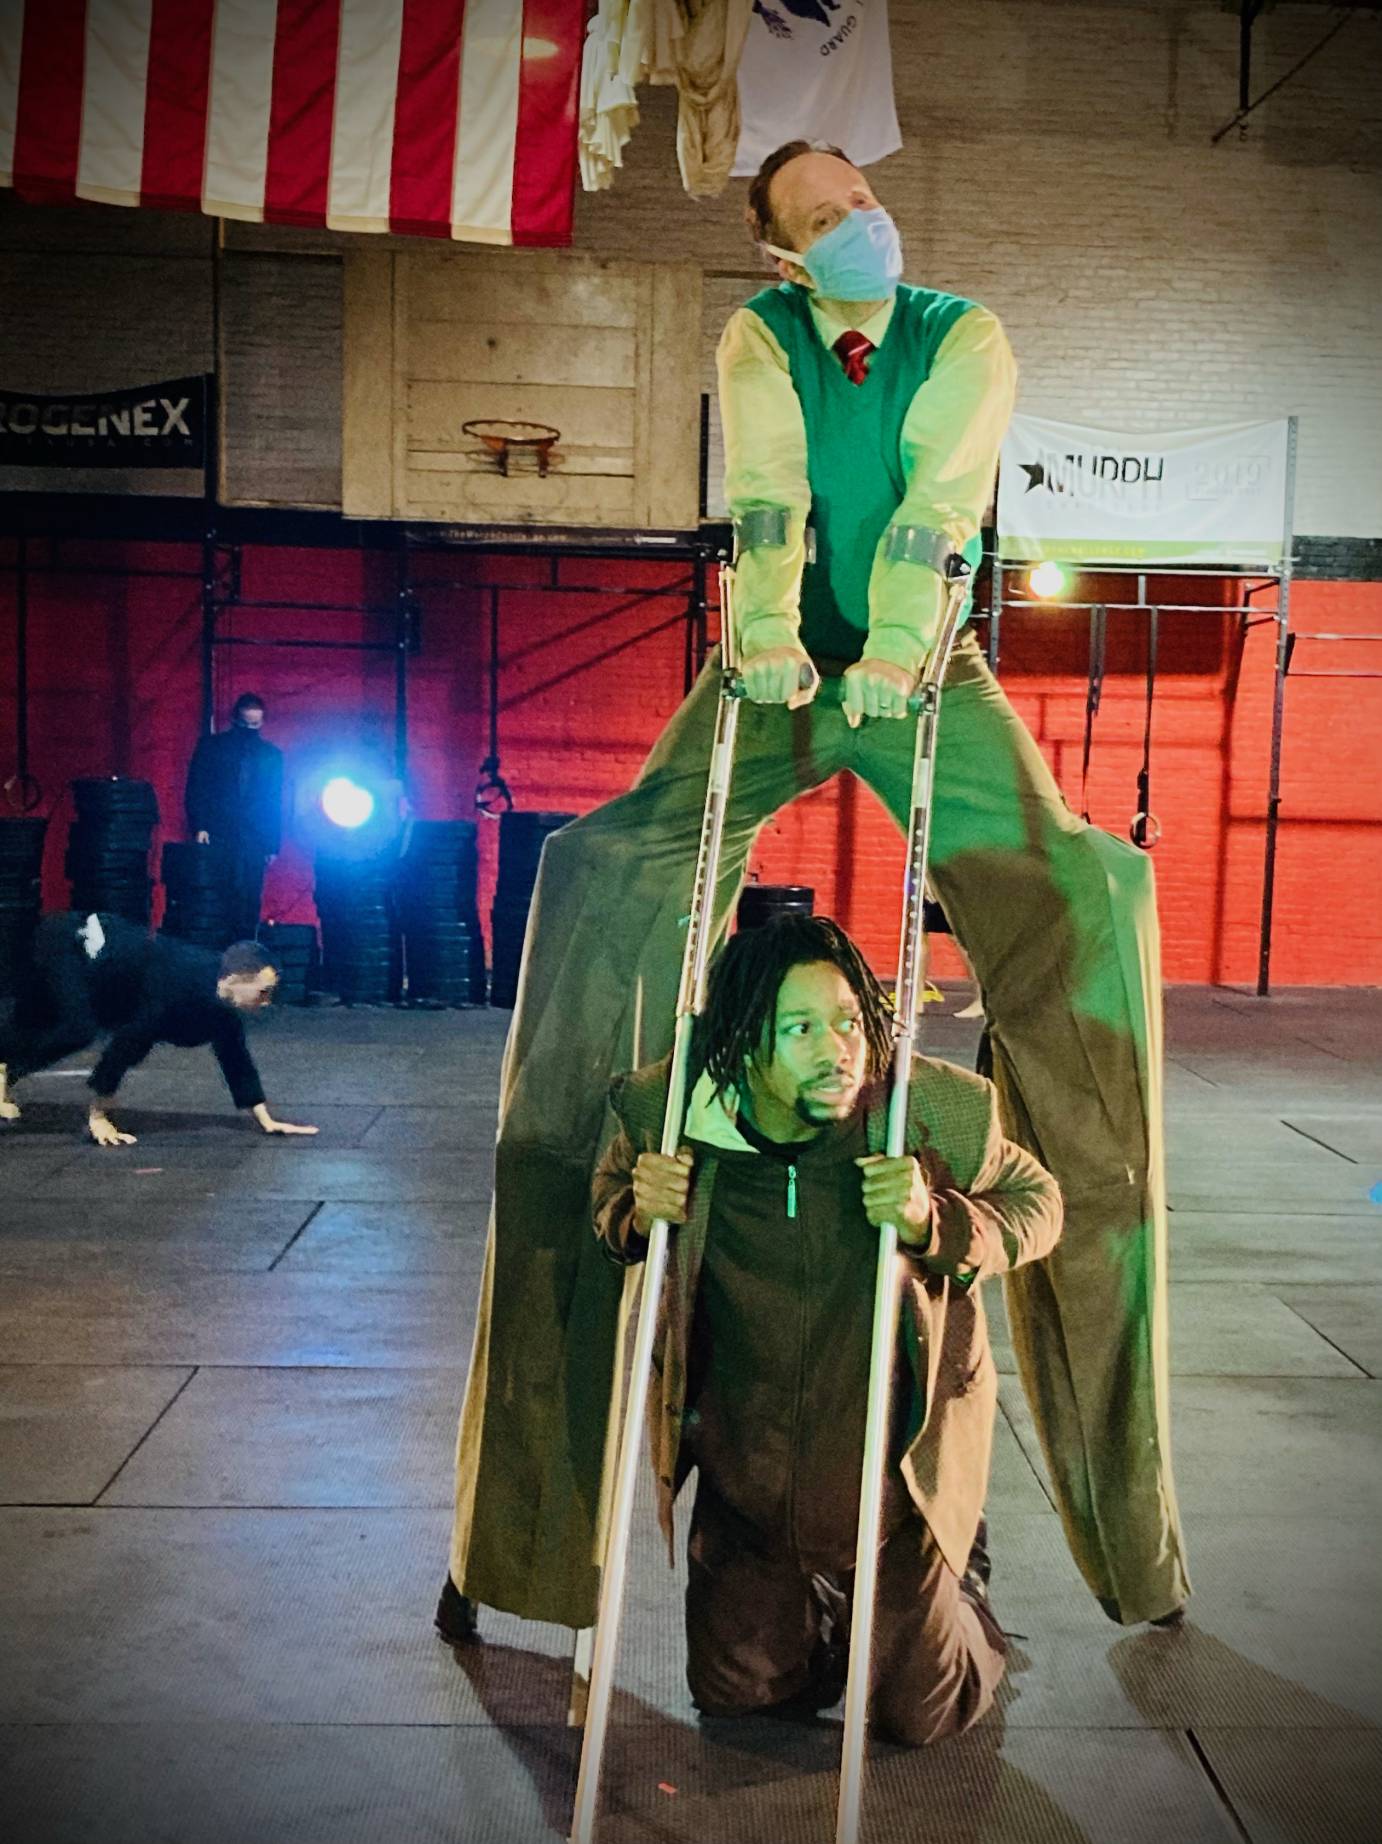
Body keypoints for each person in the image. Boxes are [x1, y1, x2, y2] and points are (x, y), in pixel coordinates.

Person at [439, 139, 1188, 1641]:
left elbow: (938, 498)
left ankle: (1132, 1529)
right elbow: (770, 487)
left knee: (1087, 890)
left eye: (866, 194)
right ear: (782, 252)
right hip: (774, 664)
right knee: (596, 868)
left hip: (931, 664)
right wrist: (766, 634)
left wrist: (899, 647)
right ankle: (518, 1535)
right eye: (827, 212)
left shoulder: (957, 331)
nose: (865, 221)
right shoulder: (760, 332)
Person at [594, 918, 1061, 1740]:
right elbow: (606, 1202)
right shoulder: (665, 1115)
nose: (838, 1049)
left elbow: (1039, 1206)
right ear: (740, 1043)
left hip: (890, 1488)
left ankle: (962, 1591)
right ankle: (816, 1609)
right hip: (749, 1487)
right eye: (801, 1028)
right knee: (740, 1698)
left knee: (919, 1714)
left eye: (848, 1021)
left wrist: (935, 1221)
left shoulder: (930, 1115)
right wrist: (637, 1211)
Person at [0, 911, 317, 1145]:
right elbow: (129, 1043)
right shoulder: (178, 986)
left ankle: (5, 1071)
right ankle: (5, 1070)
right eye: (262, 993)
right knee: (77, 1028)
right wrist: (98, 1117)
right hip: (69, 943)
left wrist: (266, 1120)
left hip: (107, 978)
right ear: (235, 979)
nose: (266, 1003)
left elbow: (236, 1058)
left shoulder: (222, 1008)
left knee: (58, 1024)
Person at [185, 692, 284, 941]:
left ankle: (245, 950)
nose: (250, 729)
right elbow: (197, 787)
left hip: (253, 834)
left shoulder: (271, 755)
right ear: (234, 720)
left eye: (255, 724)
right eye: (246, 724)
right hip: (220, 829)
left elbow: (274, 800)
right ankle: (221, 952)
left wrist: (272, 843)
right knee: (218, 891)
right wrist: (200, 825)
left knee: (250, 895)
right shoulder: (212, 747)